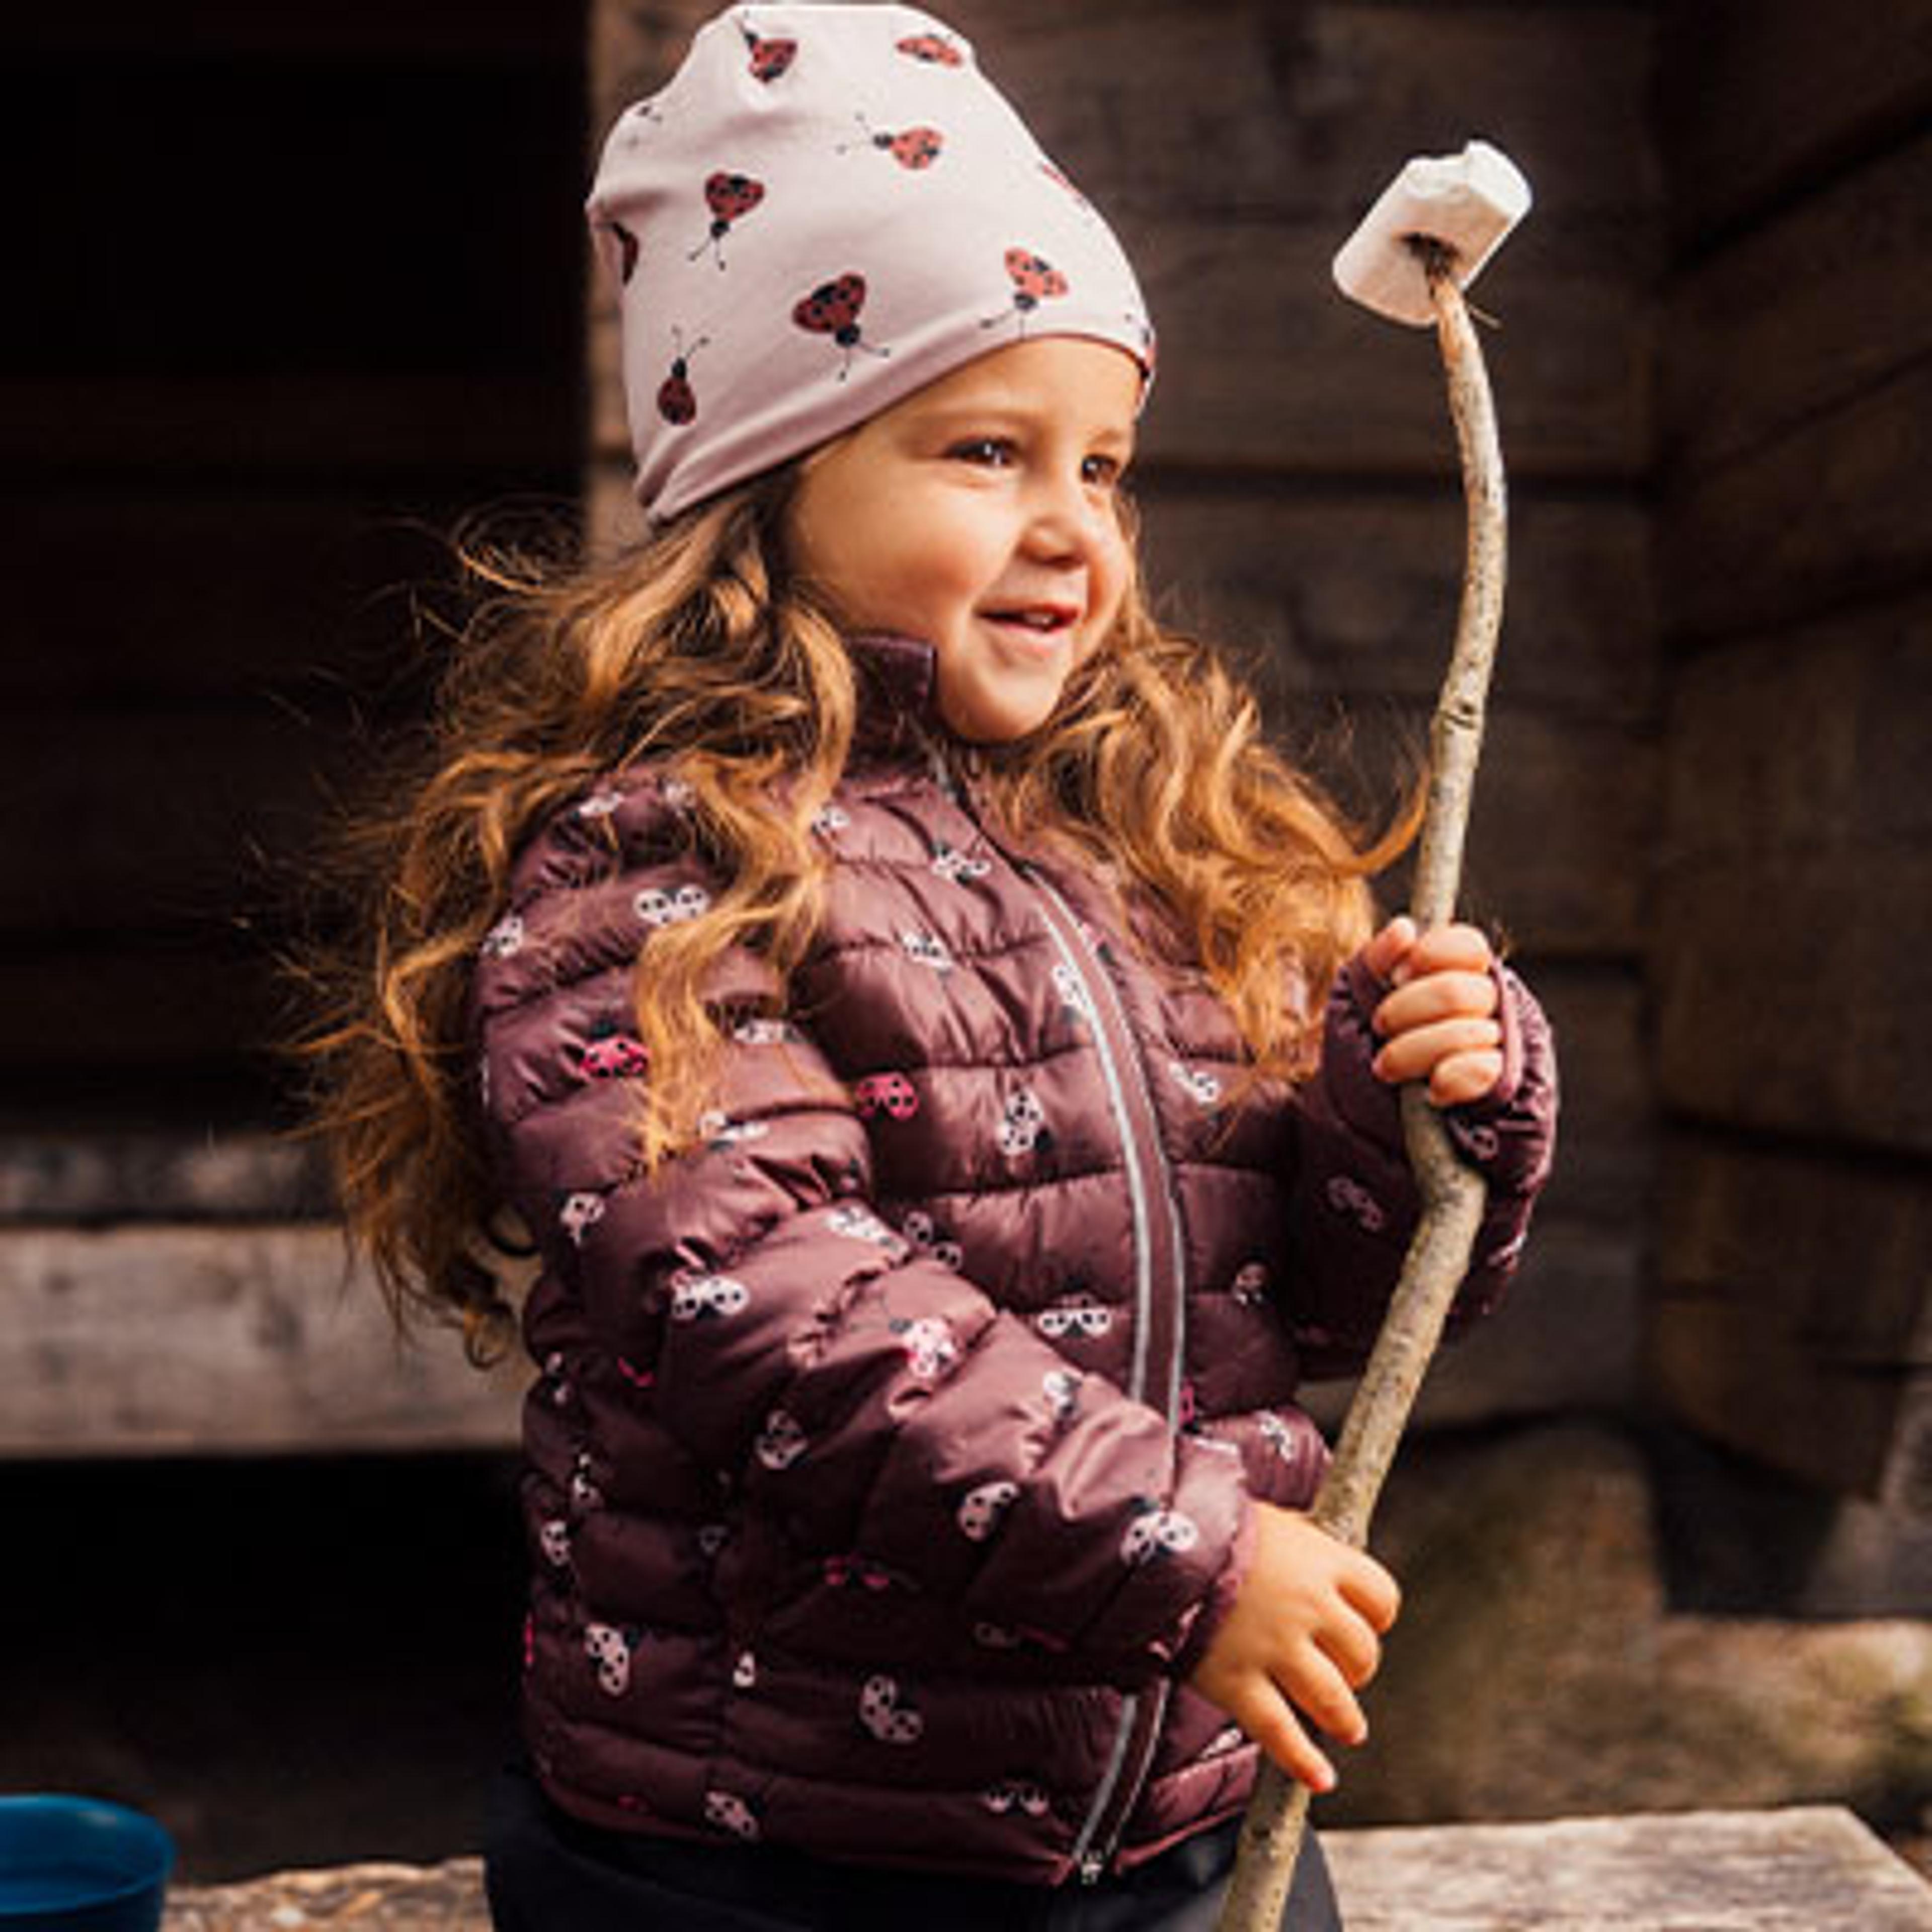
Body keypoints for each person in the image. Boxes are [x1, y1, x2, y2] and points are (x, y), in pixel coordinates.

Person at [308, 5, 1558, 1926]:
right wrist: (1195, 1558)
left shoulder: (1157, 853)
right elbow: (774, 1313)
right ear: (773, 483)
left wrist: (1415, 1115)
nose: (1075, 530)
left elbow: (1333, 1303)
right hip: (786, 1861)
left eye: (1108, 465)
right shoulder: (656, 866)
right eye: (989, 450)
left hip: (1166, 1829)